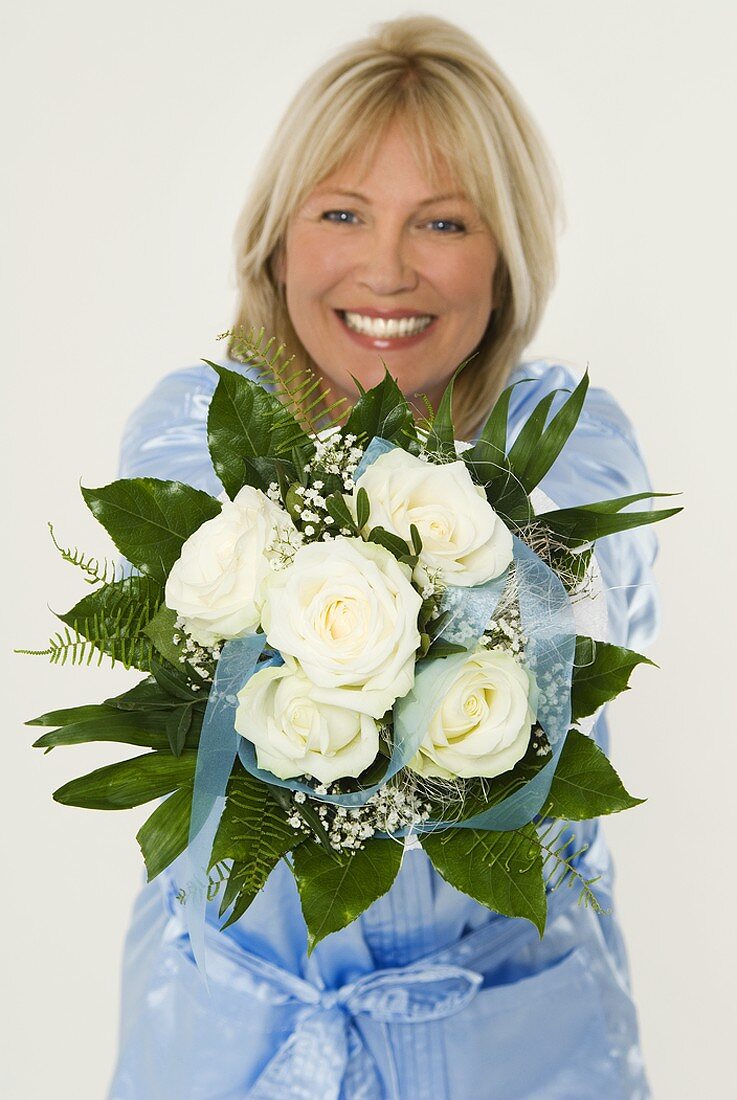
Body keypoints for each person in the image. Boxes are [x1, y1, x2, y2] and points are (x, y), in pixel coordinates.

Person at [107, 15, 658, 1099]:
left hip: (522, 1047)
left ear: (503, 259)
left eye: (443, 221)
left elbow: (569, 617)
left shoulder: (575, 439)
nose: (386, 268)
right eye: (343, 212)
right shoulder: (192, 426)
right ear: (277, 239)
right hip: (231, 1043)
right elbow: (216, 653)